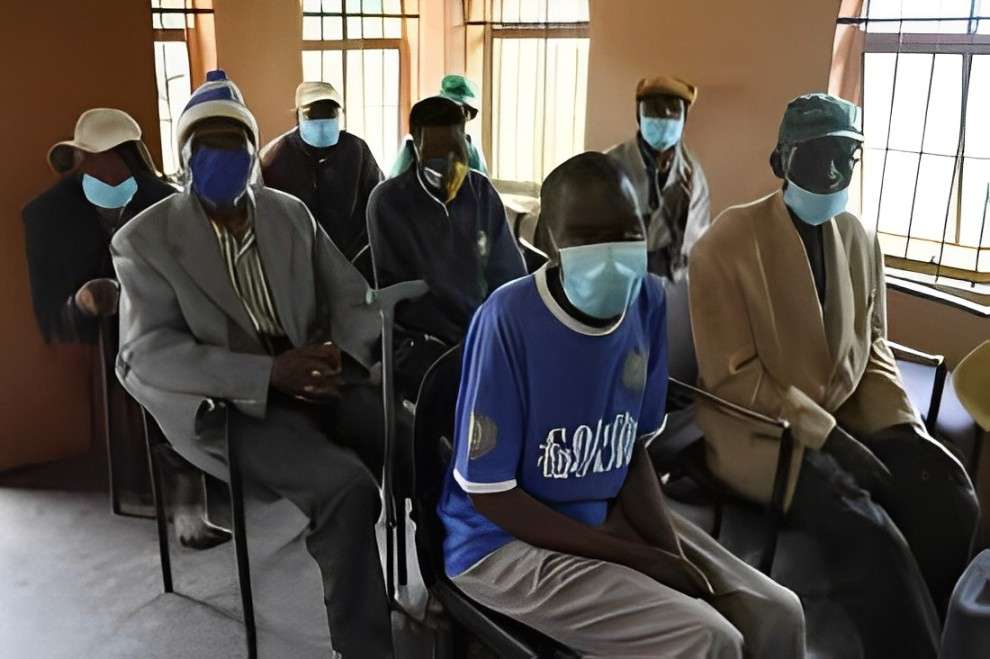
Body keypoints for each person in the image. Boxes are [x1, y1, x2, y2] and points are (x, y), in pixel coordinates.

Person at [439, 152, 806, 659]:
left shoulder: (647, 301)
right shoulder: (508, 319)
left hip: (601, 516)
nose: (611, 252)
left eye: (627, 231)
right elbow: (491, 494)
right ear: (550, 241)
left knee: (777, 612)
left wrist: (669, 553)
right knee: (708, 639)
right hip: (501, 545)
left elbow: (631, 450)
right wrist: (635, 557)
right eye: (587, 237)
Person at [113, 70, 392, 658]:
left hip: (314, 377)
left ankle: (459, 587)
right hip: (232, 402)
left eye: (234, 143)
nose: (222, 156)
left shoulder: (288, 213)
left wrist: (335, 355)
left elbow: (351, 296)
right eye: (205, 144)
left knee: (426, 445)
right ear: (184, 156)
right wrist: (269, 374)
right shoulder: (145, 239)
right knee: (345, 488)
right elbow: (145, 352)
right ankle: (362, 647)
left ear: (252, 149)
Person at [689, 92, 979, 658]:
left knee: (949, 494)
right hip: (760, 429)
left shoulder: (861, 239)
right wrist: (836, 442)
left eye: (845, 156)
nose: (831, 171)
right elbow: (734, 379)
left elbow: (872, 349)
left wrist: (903, 432)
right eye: (816, 155)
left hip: (844, 413)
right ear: (782, 162)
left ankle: (939, 630)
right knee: (866, 529)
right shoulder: (726, 245)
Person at [22, 108, 227, 548]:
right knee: (149, 382)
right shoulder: (47, 216)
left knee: (187, 378)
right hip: (108, 334)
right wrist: (83, 301)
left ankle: (196, 493)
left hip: (171, 324)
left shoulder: (166, 202)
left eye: (114, 158)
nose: (104, 170)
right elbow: (48, 312)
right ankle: (179, 497)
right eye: (93, 160)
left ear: (133, 157)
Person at [368, 95, 525, 397]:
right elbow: (402, 293)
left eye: (456, 150)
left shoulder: (481, 193)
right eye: (436, 155)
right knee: (451, 387)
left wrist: (495, 329)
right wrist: (460, 340)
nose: (449, 163)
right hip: (422, 340)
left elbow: (508, 274)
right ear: (415, 148)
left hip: (483, 330)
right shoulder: (389, 202)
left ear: (467, 142)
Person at [260, 81, 383, 262]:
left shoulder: (355, 150)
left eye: (329, 113)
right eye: (313, 114)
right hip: (295, 258)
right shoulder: (275, 155)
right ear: (298, 116)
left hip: (351, 258)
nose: (322, 120)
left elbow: (377, 199)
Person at [606, 76, 710, 282]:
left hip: (673, 275)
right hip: (620, 274)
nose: (662, 120)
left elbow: (697, 235)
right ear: (639, 115)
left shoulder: (692, 171)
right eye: (653, 112)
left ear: (683, 119)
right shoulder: (611, 164)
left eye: (672, 113)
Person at [389, 74, 488, 178]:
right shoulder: (414, 143)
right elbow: (397, 183)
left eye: (468, 113)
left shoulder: (470, 146)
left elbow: (482, 186)